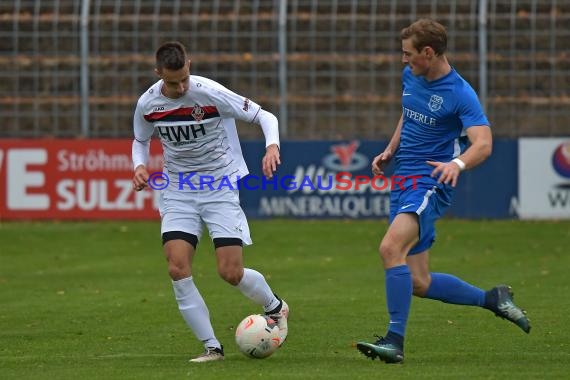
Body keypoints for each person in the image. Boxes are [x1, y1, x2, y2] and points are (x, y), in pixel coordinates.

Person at [356, 19, 530, 364]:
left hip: (430, 182)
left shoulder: (459, 93)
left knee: (391, 248)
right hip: (404, 178)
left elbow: (484, 144)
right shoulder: (414, 76)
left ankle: (394, 341)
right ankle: (492, 298)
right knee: (418, 281)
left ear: (428, 52)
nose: (404, 61)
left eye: (409, 55)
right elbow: (408, 114)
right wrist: (391, 149)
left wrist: (457, 165)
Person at [131, 41, 289, 363]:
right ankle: (212, 347)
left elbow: (265, 117)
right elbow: (140, 139)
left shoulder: (210, 92)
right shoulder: (148, 103)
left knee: (230, 272)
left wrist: (271, 146)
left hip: (220, 187)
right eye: (173, 82)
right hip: (178, 190)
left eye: (185, 78)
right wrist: (139, 165)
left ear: (189, 64)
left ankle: (274, 306)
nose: (181, 87)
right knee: (177, 267)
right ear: (158, 73)